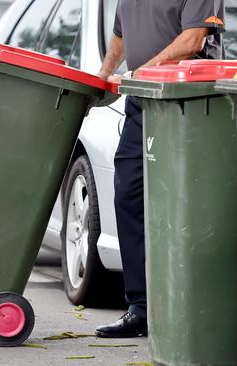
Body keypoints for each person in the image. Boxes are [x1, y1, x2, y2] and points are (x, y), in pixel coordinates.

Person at [95, 0, 226, 338]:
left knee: (187, 202)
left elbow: (194, 39)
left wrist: (142, 71)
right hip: (142, 101)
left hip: (189, 100)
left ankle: (195, 307)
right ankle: (140, 308)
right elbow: (121, 36)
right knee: (128, 195)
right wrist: (103, 74)